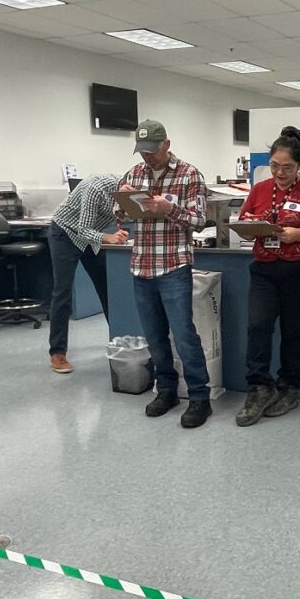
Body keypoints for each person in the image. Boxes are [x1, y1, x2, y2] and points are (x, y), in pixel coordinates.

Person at [234, 127, 300, 426]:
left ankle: (288, 389)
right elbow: (244, 221)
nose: (280, 172)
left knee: (293, 333)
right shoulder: (259, 189)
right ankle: (258, 388)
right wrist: (252, 225)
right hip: (264, 270)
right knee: (258, 327)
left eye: (288, 167)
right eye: (275, 166)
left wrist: (298, 234)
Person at [120, 119, 213, 428]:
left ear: (166, 145)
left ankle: (200, 397)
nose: (147, 158)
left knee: (184, 335)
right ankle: (167, 390)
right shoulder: (134, 174)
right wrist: (121, 200)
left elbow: (199, 220)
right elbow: (119, 214)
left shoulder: (188, 175)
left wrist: (167, 209)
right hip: (142, 265)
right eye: (142, 152)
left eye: (152, 151)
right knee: (155, 336)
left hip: (174, 265)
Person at [47, 174, 128, 373]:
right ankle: (57, 352)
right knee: (63, 292)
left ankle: (121, 342)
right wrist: (108, 237)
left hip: (90, 237)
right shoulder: (96, 188)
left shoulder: (131, 193)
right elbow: (83, 229)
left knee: (107, 288)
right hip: (65, 233)